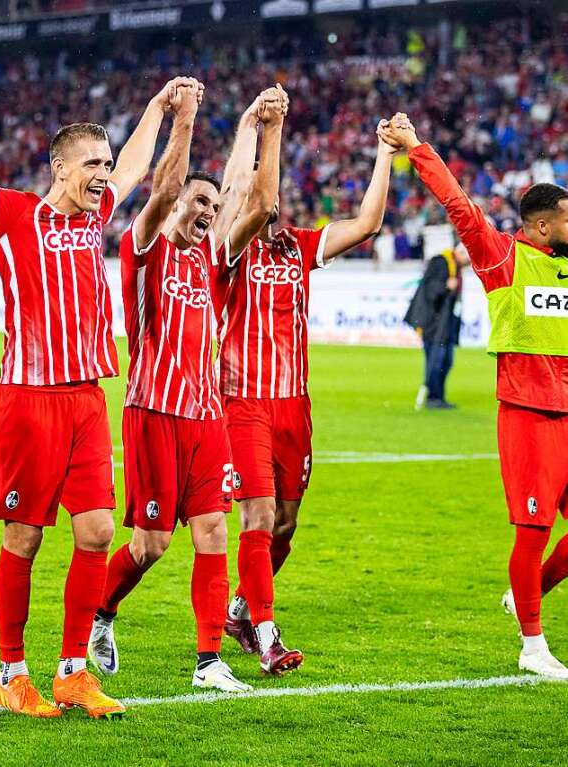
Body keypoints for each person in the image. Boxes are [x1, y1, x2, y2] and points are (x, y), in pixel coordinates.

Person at [0, 45, 192, 718]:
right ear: (59, 167)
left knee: (97, 530)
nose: (103, 174)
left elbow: (137, 168)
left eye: (105, 163)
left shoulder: (96, 216)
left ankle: (72, 668)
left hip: (85, 399)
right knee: (24, 537)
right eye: (90, 164)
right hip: (27, 399)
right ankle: (11, 671)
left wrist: (158, 109)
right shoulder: (12, 214)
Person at [87, 87, 281, 693]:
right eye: (200, 201)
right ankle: (100, 612)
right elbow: (166, 189)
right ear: (174, 208)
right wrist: (186, 119)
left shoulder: (212, 260)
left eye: (212, 204)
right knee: (150, 544)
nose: (208, 210)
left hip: (206, 418)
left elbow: (261, 201)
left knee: (214, 531)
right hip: (151, 413)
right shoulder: (142, 249)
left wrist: (266, 128)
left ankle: (207, 662)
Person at [382, 114, 568, 679]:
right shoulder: (505, 257)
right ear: (540, 226)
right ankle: (532, 645)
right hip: (529, 414)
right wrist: (416, 149)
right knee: (533, 531)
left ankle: (528, 591)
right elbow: (462, 208)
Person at [218, 110, 398, 674]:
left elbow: (368, 223)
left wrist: (387, 155)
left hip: (295, 405)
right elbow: (262, 204)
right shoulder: (228, 248)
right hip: (242, 402)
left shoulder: (300, 247)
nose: (269, 205)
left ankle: (241, 610)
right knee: (258, 515)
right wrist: (269, 129)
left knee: (285, 525)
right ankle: (268, 637)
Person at [405, 244, 470, 409]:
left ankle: (438, 396)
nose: (470, 264)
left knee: (446, 361)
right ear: (461, 253)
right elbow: (430, 290)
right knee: (435, 361)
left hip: (445, 325)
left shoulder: (454, 266)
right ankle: (433, 398)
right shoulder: (441, 262)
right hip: (433, 324)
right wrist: (446, 286)